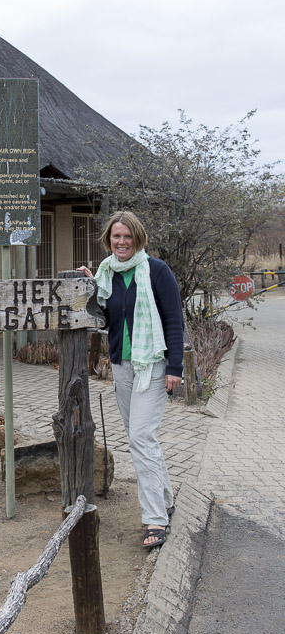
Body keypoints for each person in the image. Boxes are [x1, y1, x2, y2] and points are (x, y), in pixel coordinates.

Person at [79, 211, 183, 549]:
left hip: (153, 363)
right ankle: (165, 498)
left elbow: (173, 319)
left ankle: (155, 518)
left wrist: (175, 368)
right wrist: (92, 287)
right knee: (140, 439)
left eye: (127, 236)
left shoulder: (156, 271)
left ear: (137, 238)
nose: (121, 242)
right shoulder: (107, 272)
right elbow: (106, 317)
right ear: (108, 239)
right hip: (122, 365)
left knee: (140, 437)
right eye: (115, 237)